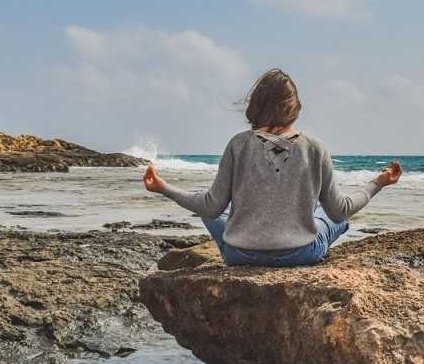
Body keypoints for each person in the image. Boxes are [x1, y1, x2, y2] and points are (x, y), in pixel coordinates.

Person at [143, 69, 402, 267]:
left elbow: (211, 207)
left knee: (209, 205)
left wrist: (163, 187)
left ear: (256, 105)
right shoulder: (315, 147)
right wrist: (378, 182)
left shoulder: (238, 144)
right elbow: (341, 210)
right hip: (300, 254)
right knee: (330, 215)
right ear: (294, 108)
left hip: (239, 255)